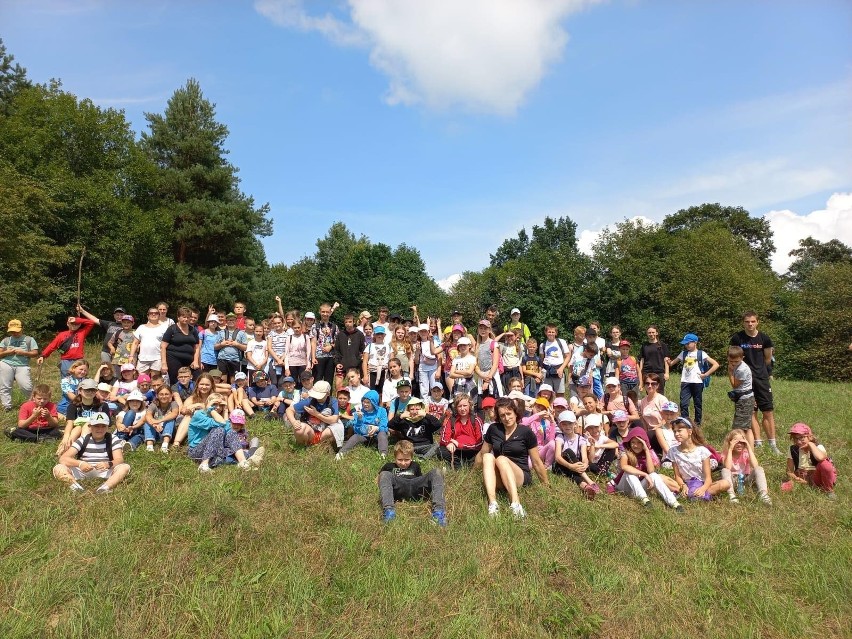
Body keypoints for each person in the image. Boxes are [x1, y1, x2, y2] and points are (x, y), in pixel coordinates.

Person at [482, 397, 550, 518]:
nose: (506, 418)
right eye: (502, 415)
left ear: (515, 413)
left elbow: (536, 461)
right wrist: (472, 472)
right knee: (487, 456)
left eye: (509, 414)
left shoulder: (526, 432)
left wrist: (546, 485)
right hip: (500, 475)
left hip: (520, 475)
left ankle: (516, 504)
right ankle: (493, 504)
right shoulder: (493, 429)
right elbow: (482, 453)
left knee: (501, 459)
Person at [730, 311, 779, 454]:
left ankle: (773, 444)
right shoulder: (737, 338)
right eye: (747, 321)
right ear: (743, 322)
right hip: (745, 380)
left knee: (767, 411)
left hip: (761, 378)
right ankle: (758, 442)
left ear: (757, 322)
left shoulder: (765, 339)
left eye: (752, 321)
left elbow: (768, 358)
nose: (750, 324)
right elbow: (733, 357)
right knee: (751, 411)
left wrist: (766, 373)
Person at [53, 412, 130, 493]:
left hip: (106, 470)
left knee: (124, 467)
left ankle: (106, 487)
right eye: (96, 426)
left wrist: (108, 464)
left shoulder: (113, 439)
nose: (100, 429)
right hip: (83, 470)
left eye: (103, 426)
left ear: (108, 427)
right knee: (58, 468)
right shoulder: (83, 440)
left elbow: (119, 459)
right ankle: (74, 486)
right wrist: (80, 464)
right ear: (90, 427)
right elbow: (63, 458)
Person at [378, 440, 447, 526]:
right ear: (395, 457)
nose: (403, 463)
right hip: (399, 487)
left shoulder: (415, 465)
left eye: (407, 460)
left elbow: (420, 479)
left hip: (415, 486)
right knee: (384, 474)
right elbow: (379, 480)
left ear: (411, 457)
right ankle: (389, 512)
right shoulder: (388, 466)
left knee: (436, 472)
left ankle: (439, 512)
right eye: (400, 460)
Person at [613, 426, 682, 510]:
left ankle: (674, 503)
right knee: (630, 473)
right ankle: (645, 500)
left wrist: (646, 451)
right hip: (624, 488)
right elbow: (624, 466)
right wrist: (644, 474)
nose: (635, 445)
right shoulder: (626, 453)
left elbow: (651, 470)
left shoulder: (645, 454)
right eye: (633, 442)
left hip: (638, 488)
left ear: (644, 444)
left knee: (654, 475)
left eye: (639, 443)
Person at [187, 395, 261, 472]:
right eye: (214, 404)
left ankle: (243, 462)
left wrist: (225, 411)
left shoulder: (217, 416)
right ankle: (204, 465)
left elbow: (228, 429)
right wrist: (210, 409)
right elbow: (222, 423)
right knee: (219, 430)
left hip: (213, 450)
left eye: (221, 405)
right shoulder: (199, 415)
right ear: (208, 404)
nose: (218, 407)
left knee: (231, 433)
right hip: (196, 451)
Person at [669, 417, 730, 501]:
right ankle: (689, 493)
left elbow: (708, 478)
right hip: (684, 483)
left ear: (689, 431)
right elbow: (677, 476)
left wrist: (703, 488)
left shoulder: (702, 451)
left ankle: (697, 494)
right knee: (660, 478)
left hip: (702, 483)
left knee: (725, 483)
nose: (676, 434)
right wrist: (683, 485)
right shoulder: (673, 451)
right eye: (674, 431)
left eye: (679, 431)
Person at [666, 333, 719, 426]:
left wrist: (705, 375)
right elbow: (671, 364)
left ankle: (697, 424)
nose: (686, 345)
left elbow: (716, 364)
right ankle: (685, 422)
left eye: (688, 343)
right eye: (685, 344)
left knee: (697, 404)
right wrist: (667, 361)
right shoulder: (683, 353)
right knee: (683, 404)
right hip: (685, 382)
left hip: (697, 382)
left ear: (695, 343)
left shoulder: (701, 354)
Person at [552, 410, 600, 499]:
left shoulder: (581, 439)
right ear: (561, 425)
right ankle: (590, 482)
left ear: (575, 424)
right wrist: (570, 466)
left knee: (575, 472)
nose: (567, 426)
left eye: (570, 424)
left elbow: (585, 458)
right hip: (562, 465)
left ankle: (585, 487)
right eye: (564, 424)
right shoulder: (560, 437)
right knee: (569, 451)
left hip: (575, 466)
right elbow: (558, 457)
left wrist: (585, 464)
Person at [782, 423, 837, 498]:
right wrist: (796, 478)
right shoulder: (793, 449)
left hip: (817, 476)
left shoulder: (818, 447)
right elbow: (789, 471)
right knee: (784, 488)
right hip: (801, 476)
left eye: (802, 438)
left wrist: (811, 445)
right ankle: (808, 485)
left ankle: (828, 490)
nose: (798, 441)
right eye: (795, 438)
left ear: (810, 437)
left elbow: (820, 458)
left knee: (825, 465)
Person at [286, 380, 343, 448]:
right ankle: (304, 446)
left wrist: (316, 414)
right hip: (311, 429)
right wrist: (294, 422)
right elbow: (289, 409)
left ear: (327, 393)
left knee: (338, 427)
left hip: (325, 431)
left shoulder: (333, 401)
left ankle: (318, 444)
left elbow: (334, 419)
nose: (316, 398)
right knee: (299, 430)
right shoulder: (310, 401)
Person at [720, 430, 772, 505]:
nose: (739, 444)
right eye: (736, 442)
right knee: (724, 470)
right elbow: (727, 467)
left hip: (746, 479)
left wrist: (749, 447)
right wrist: (730, 449)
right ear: (730, 442)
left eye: (742, 442)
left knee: (759, 469)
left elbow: (755, 466)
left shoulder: (745, 453)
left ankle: (763, 494)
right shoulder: (726, 454)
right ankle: (731, 495)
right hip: (732, 480)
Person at [337, 389, 388, 458]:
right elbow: (357, 430)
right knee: (355, 437)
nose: (365, 404)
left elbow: (385, 426)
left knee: (382, 434)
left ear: (374, 403)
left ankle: (383, 453)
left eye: (368, 402)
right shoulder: (360, 412)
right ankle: (341, 453)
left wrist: (377, 428)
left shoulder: (382, 411)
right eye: (364, 402)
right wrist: (360, 420)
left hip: (377, 435)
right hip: (364, 436)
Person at [0, 319, 38, 411]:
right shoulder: (6, 340)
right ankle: (7, 407)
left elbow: (35, 353)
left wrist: (24, 353)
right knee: (5, 386)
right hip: (6, 363)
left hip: (22, 365)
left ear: (22, 329)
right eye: (12, 331)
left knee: (26, 386)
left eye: (16, 331)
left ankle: (34, 403)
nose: (14, 333)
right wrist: (8, 352)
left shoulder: (29, 339)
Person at [437, 394, 483, 469]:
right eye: (459, 406)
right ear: (456, 407)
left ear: (470, 406)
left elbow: (480, 443)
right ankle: (460, 465)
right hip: (456, 450)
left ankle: (459, 464)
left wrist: (461, 445)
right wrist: (448, 443)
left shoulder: (476, 420)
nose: (462, 408)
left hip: (472, 450)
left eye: (465, 405)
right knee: (440, 450)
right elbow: (444, 438)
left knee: (480, 455)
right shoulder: (452, 420)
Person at [160, 307, 201, 385]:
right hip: (174, 358)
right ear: (178, 317)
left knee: (197, 378)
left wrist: (196, 361)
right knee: (175, 381)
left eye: (188, 317)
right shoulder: (172, 329)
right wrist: (164, 363)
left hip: (190, 359)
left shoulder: (193, 330)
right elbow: (163, 346)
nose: (186, 319)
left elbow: (197, 346)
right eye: (184, 317)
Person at [727, 346, 756, 444]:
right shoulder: (737, 366)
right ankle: (749, 449)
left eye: (736, 361)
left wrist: (730, 372)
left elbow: (735, 385)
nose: (733, 363)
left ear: (742, 358)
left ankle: (741, 448)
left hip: (745, 400)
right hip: (743, 398)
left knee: (738, 429)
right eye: (731, 361)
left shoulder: (741, 369)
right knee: (746, 427)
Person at [521, 397, 557, 469]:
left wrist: (552, 422)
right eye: (538, 407)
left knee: (553, 444)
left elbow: (551, 439)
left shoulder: (546, 423)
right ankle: (538, 463)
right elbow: (523, 424)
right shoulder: (527, 419)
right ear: (533, 407)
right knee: (529, 466)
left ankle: (546, 465)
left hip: (541, 450)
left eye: (542, 409)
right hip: (530, 451)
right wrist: (537, 415)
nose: (539, 410)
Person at [130, 308, 167, 375]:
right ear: (148, 316)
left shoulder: (164, 328)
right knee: (142, 380)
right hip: (142, 359)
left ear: (159, 315)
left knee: (155, 380)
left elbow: (166, 344)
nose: (153, 314)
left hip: (157, 358)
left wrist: (164, 362)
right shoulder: (141, 327)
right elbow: (135, 343)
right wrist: (131, 356)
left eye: (156, 313)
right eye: (151, 313)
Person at [310, 302, 340, 386]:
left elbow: (337, 342)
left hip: (330, 357)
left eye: (327, 312)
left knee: (329, 381)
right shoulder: (315, 326)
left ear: (330, 312)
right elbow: (313, 342)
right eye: (323, 312)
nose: (325, 314)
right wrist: (313, 357)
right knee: (317, 379)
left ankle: (328, 398)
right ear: (319, 312)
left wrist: (331, 346)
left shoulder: (334, 327)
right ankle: (316, 398)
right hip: (318, 356)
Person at [144, 384, 179, 453]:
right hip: (157, 431)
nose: (164, 396)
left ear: (171, 395)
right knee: (147, 422)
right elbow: (148, 415)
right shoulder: (154, 404)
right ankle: (149, 447)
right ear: (157, 395)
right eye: (161, 394)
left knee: (170, 420)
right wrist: (154, 424)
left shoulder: (173, 403)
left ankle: (164, 446)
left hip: (169, 433)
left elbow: (174, 414)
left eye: (166, 394)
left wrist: (159, 421)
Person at [215, 313, 247, 383]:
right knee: (223, 379)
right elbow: (215, 347)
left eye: (233, 320)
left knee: (234, 380)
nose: (231, 322)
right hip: (222, 359)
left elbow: (245, 348)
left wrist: (237, 344)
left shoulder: (241, 333)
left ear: (236, 321)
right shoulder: (221, 332)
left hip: (235, 359)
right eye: (229, 320)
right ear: (226, 322)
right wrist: (222, 344)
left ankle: (233, 393)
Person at [539, 324, 569, 398]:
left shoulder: (561, 342)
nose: (551, 334)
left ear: (556, 333)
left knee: (560, 393)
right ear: (545, 332)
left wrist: (561, 369)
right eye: (549, 332)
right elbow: (542, 359)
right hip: (547, 371)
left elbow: (567, 356)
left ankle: (560, 408)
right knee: (546, 393)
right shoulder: (542, 345)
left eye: (553, 332)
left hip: (558, 370)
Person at [638, 326, 670, 395]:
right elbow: (642, 360)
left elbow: (666, 360)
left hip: (659, 372)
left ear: (656, 333)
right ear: (647, 334)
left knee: (660, 393)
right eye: (649, 332)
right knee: (649, 392)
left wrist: (667, 373)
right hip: (647, 372)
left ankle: (659, 406)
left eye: (653, 332)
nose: (651, 334)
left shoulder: (662, 345)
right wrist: (640, 372)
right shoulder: (644, 345)